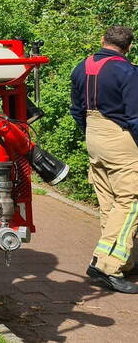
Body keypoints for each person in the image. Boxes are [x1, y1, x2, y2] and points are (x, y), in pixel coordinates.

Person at [70, 26, 138, 294]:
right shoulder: (127, 71)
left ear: (102, 40)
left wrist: (89, 132)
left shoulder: (81, 67)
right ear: (128, 47)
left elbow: (76, 109)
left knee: (109, 202)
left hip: (93, 136)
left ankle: (124, 259)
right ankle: (107, 265)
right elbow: (135, 117)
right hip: (120, 138)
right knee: (130, 202)